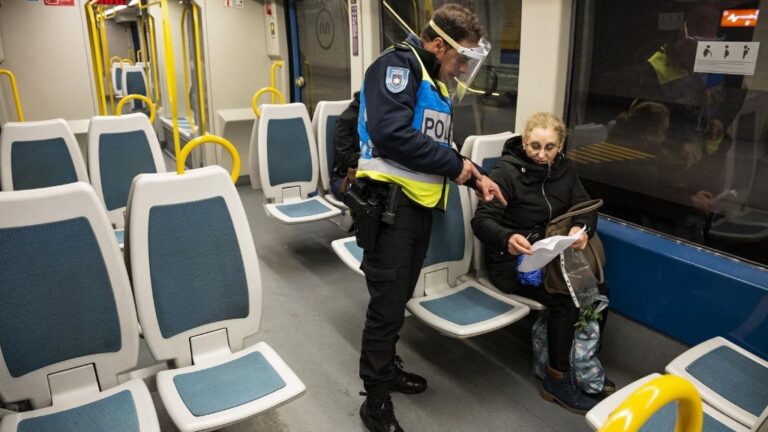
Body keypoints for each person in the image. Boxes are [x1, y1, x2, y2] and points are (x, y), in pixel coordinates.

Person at [353, 4, 505, 431]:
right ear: (438, 44)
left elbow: (436, 146)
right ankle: (375, 400)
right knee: (385, 309)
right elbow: (391, 133)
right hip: (389, 209)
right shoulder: (397, 68)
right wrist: (456, 168)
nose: (461, 70)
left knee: (398, 300)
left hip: (416, 209)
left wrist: (474, 177)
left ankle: (388, 369)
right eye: (460, 59)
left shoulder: (434, 85)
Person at [471, 112, 611, 415]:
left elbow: (585, 208)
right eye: (535, 146)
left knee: (600, 292)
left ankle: (583, 365)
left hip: (552, 257)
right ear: (524, 142)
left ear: (560, 145)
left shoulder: (566, 171)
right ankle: (556, 380)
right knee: (566, 302)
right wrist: (507, 238)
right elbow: (482, 222)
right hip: (513, 263)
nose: (542, 154)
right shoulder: (506, 174)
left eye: (549, 147)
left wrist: (581, 229)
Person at [330, 91, 361, 201]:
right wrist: (372, 157)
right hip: (344, 177)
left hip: (369, 174)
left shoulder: (376, 117)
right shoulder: (345, 120)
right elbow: (345, 158)